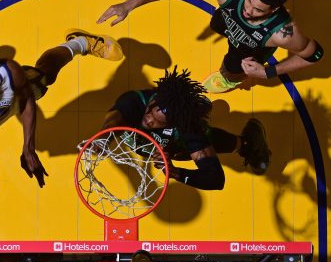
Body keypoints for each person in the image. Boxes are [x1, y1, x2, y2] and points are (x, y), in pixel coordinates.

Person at [0, 29, 124, 189]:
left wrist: (28, 147)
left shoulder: (9, 71)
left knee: (45, 76)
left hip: (7, 98)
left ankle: (81, 42)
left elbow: (27, 99)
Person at [97, 0, 324, 93]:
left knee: (232, 70)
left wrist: (268, 73)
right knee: (217, 23)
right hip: (225, 23)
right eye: (249, 1)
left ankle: (231, 80)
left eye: (257, 11)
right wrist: (129, 5)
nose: (247, 10)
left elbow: (313, 55)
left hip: (249, 49)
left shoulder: (283, 33)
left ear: (274, 10)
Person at [101, 67, 271, 191]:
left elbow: (215, 179)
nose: (149, 120)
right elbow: (114, 121)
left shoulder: (187, 127)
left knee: (203, 139)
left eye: (157, 122)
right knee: (200, 138)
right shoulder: (135, 101)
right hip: (156, 142)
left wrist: (175, 172)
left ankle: (247, 144)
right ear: (152, 102)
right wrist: (102, 139)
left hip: (176, 147)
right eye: (150, 113)